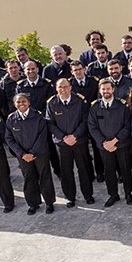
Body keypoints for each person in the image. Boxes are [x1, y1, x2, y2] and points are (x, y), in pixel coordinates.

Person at [46, 77, 94, 208]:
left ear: (70, 87)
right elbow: (50, 123)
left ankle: (88, 195)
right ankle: (70, 197)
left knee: (84, 169)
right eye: (60, 87)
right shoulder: (52, 103)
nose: (63, 89)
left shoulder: (80, 100)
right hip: (62, 144)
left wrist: (75, 136)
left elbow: (85, 120)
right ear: (56, 89)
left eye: (65, 86)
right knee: (66, 171)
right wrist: (64, 137)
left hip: (79, 141)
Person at [4, 92, 55, 214]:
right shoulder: (11, 119)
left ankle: (49, 203)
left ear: (29, 102)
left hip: (40, 153)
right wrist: (22, 154)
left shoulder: (38, 116)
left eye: (24, 101)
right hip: (23, 156)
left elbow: (42, 136)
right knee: (29, 178)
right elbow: (9, 139)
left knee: (45, 177)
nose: (21, 104)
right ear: (14, 104)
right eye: (18, 102)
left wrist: (32, 153)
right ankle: (33, 204)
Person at [88, 79, 132, 207]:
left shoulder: (122, 105)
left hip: (121, 144)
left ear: (113, 89)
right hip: (104, 147)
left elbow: (128, 125)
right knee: (109, 171)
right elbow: (92, 127)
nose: (106, 91)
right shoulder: (95, 107)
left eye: (108, 88)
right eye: (103, 89)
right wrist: (104, 142)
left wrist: (114, 141)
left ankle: (128, 193)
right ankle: (113, 195)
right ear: (100, 90)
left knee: (125, 169)